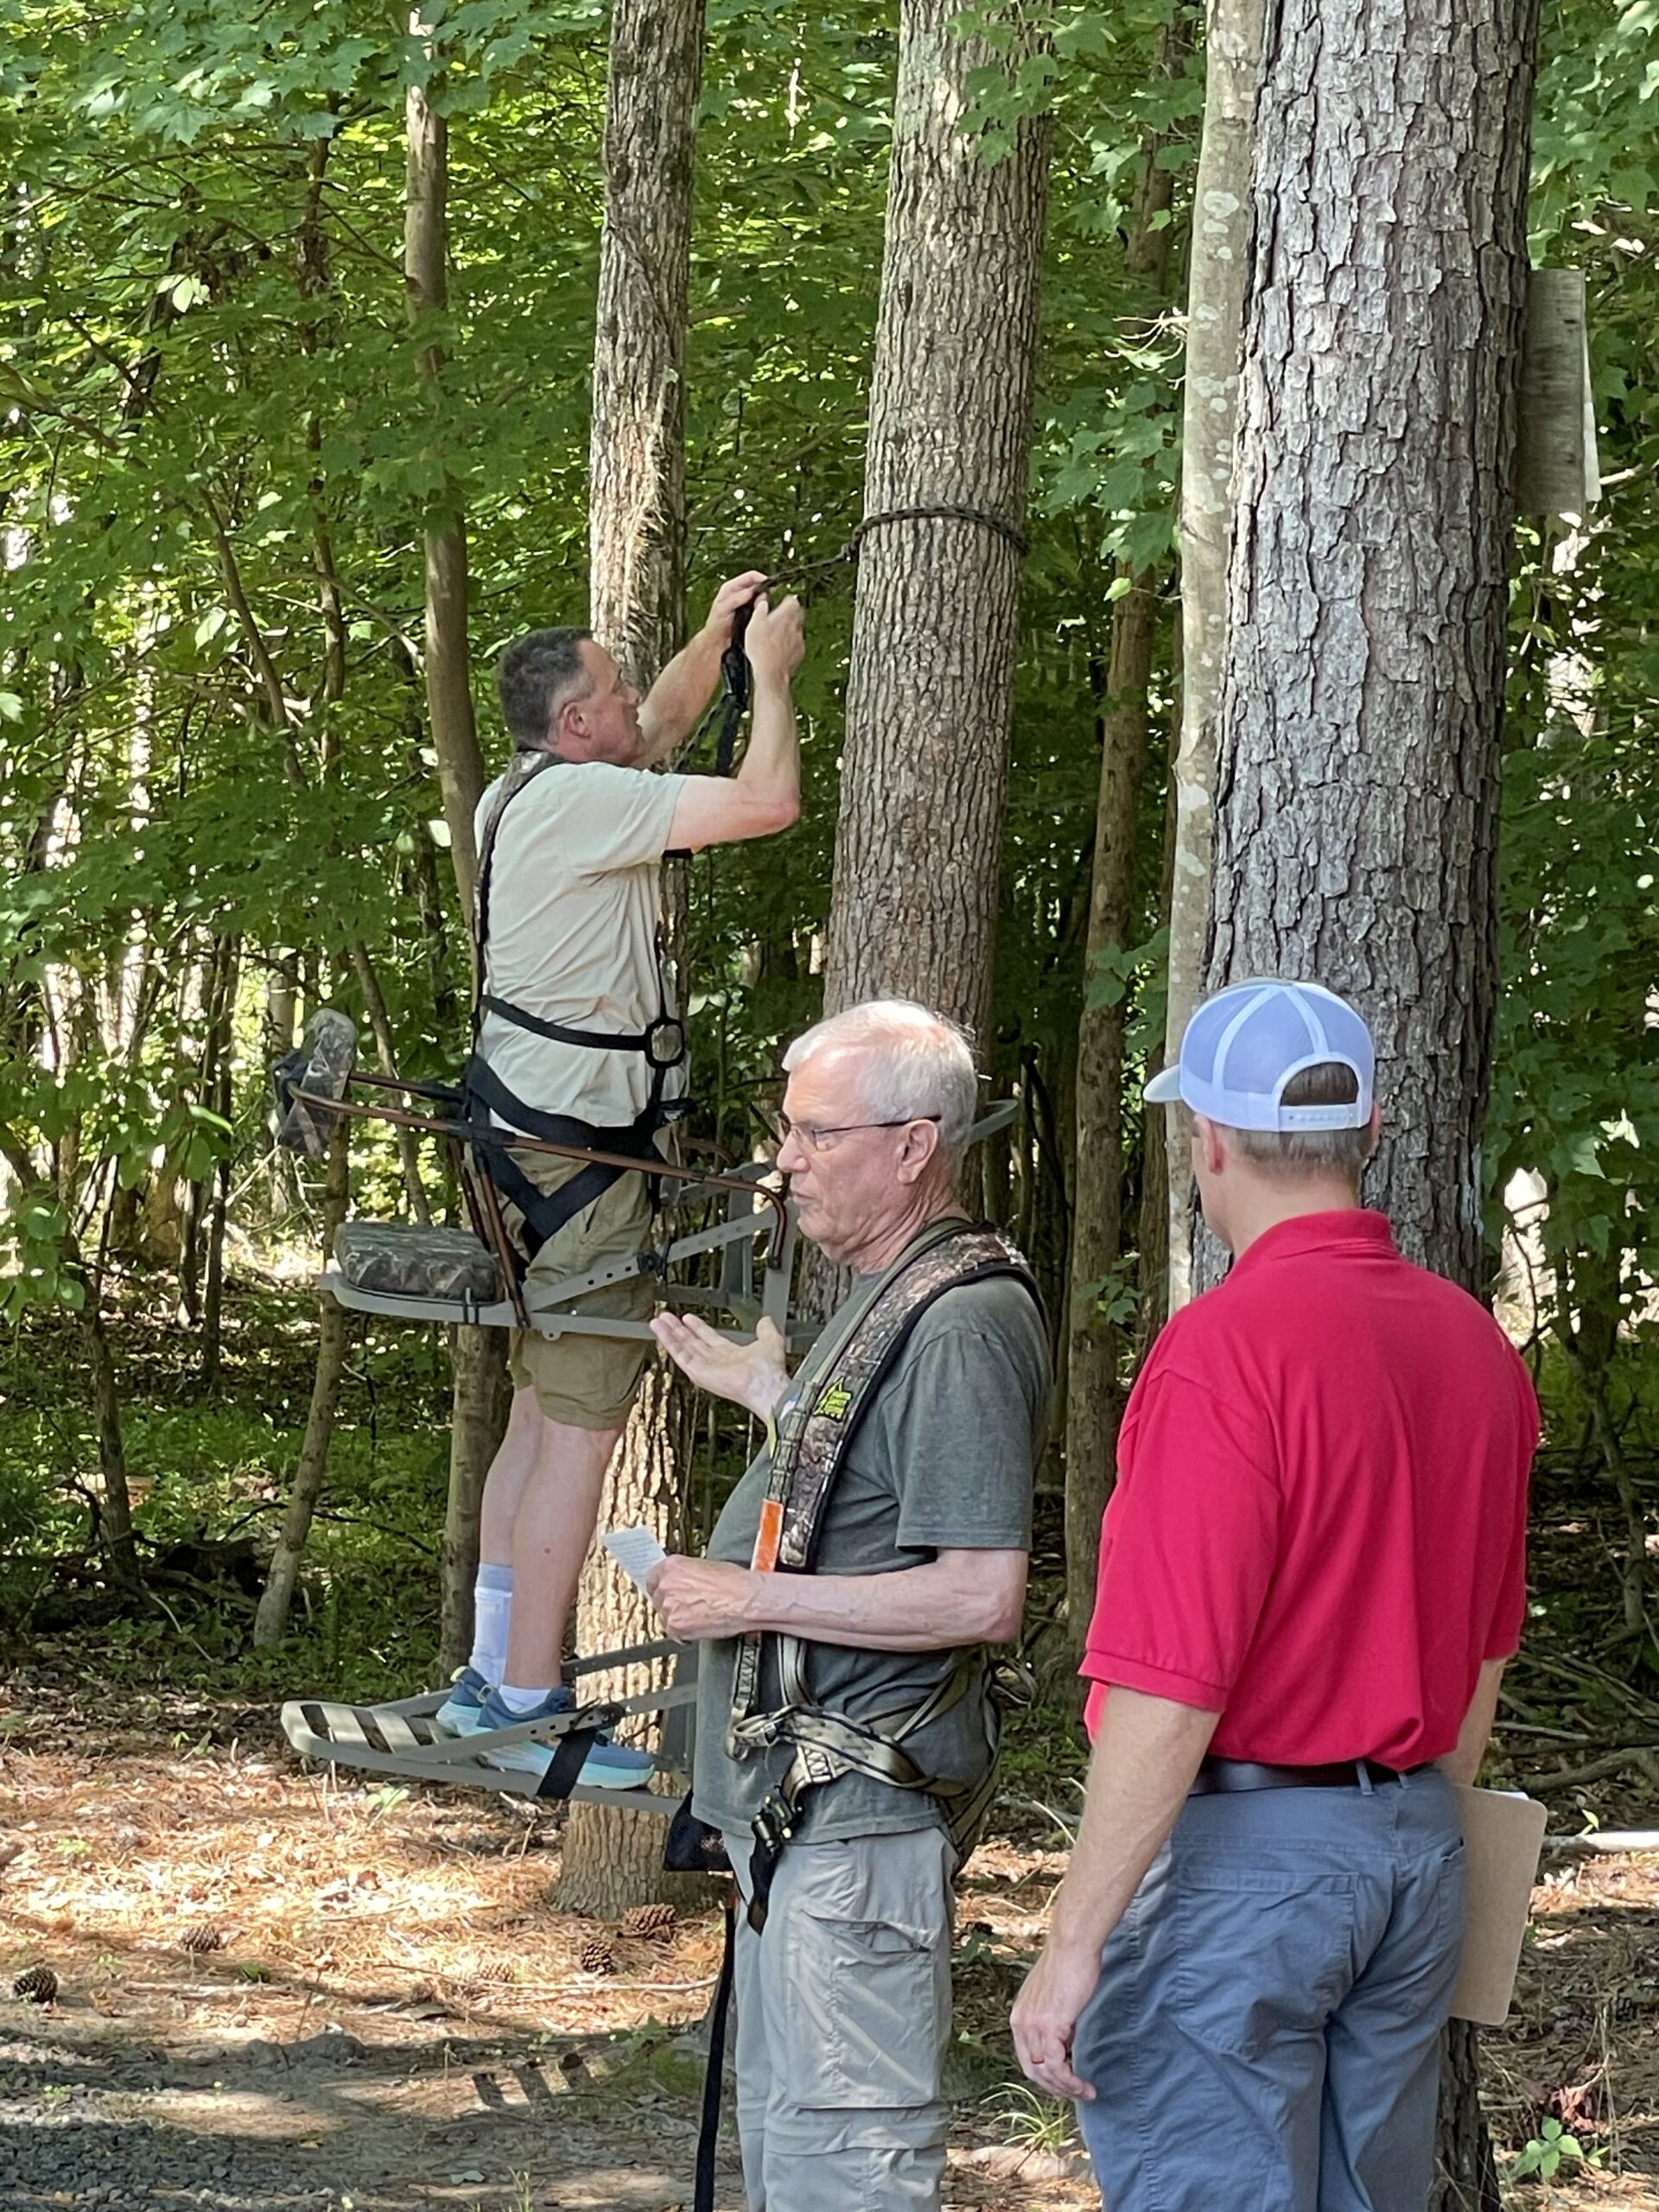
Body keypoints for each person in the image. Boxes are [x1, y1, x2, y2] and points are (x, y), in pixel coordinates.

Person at [1011, 978, 1538, 2212]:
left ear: (1207, 1140)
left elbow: (1170, 1684)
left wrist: (1073, 1942)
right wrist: (1406, 1829)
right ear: (1371, 1130)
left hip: (1247, 1865)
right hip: (1416, 1845)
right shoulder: (1476, 1345)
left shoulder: (1225, 1351)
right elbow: (1485, 1651)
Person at [645, 1000, 1050, 2212]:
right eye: (789, 1132)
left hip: (858, 1831)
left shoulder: (963, 1321)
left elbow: (981, 1594)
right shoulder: (890, 1293)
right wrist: (774, 1394)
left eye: (818, 1136)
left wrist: (746, 1595)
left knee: (849, 2172)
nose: (787, 1162)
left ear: (915, 1146)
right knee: (796, 2159)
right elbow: (876, 1480)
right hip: (801, 1828)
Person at [437, 576, 807, 1788]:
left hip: (524, 1145)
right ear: (574, 724)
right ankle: (529, 1707)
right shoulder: (585, 800)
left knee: (537, 1413)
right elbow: (768, 801)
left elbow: (657, 726)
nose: (635, 701)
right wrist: (773, 679)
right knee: (581, 1432)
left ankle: (489, 1676)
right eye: (613, 689)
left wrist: (714, 639)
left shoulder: (523, 793)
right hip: (581, 1164)